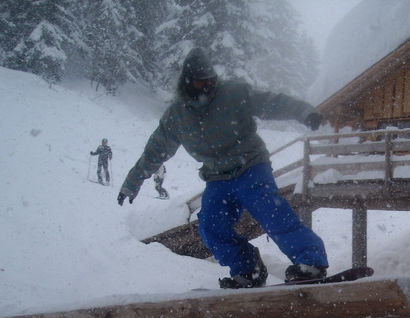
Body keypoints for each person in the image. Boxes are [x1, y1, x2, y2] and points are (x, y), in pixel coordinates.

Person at [118, 48, 327, 289]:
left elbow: (272, 102)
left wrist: (304, 112)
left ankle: (311, 261)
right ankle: (248, 269)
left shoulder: (234, 94)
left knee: (270, 211)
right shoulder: (177, 116)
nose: (207, 87)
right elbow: (155, 150)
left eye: (210, 81)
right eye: (200, 82)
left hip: (251, 166)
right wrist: (132, 182)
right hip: (217, 177)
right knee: (210, 226)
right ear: (187, 84)